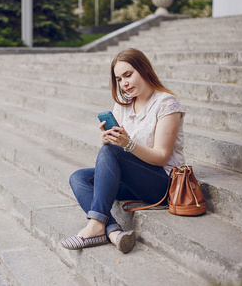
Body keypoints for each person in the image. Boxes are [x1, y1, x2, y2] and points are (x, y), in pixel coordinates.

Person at [61, 48, 185, 254]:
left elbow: (162, 156)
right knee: (78, 178)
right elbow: (112, 155)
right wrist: (106, 141)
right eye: (119, 79)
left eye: (128, 75)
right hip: (133, 181)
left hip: (163, 184)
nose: (124, 83)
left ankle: (95, 226)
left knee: (113, 152)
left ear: (144, 69)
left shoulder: (166, 103)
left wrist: (127, 144)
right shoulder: (123, 105)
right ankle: (111, 231)